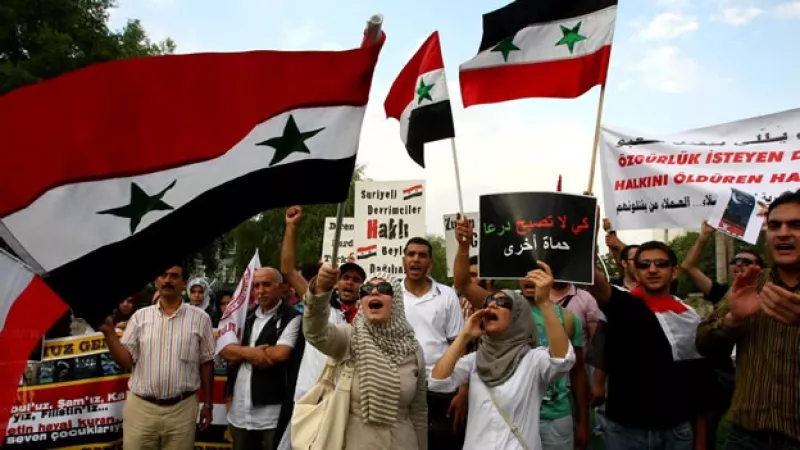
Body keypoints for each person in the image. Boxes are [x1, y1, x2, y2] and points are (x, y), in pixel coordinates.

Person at [453, 218, 589, 450]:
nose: (529, 279)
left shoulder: (567, 318)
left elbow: (576, 372)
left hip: (554, 418)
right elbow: (464, 283)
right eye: (525, 273)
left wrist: (584, 422)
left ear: (549, 277)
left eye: (537, 274)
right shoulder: (501, 307)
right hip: (511, 416)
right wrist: (464, 247)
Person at [696, 189, 800, 450]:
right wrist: (732, 320)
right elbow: (704, 344)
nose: (783, 232)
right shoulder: (749, 284)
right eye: (775, 225)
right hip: (746, 437)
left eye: (796, 225)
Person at [431, 262, 575, 449]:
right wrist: (464, 336)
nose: (492, 306)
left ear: (517, 315)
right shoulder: (475, 360)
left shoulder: (532, 360)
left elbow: (563, 360)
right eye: (488, 303)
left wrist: (545, 303)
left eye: (502, 302)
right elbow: (437, 381)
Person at [588, 241, 714, 450]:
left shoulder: (690, 319)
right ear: (635, 274)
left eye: (661, 264)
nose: (652, 269)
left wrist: (700, 443)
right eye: (644, 265)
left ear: (674, 272)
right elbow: (591, 277)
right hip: (626, 432)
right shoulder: (621, 305)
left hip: (675, 432)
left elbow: (699, 387)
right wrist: (589, 232)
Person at [303, 265, 427, 449]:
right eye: (367, 290)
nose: (374, 292)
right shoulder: (350, 338)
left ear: (397, 300)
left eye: (384, 289)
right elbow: (315, 333)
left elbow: (418, 412)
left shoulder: (413, 349)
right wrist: (320, 290)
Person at [100, 263, 215, 450]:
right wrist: (109, 333)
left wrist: (208, 405)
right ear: (156, 281)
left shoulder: (201, 318)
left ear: (183, 283)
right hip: (141, 409)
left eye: (174, 276)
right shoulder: (140, 317)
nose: (168, 280)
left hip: (182, 409)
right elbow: (126, 362)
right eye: (163, 275)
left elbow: (207, 363)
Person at [681, 220, 764, 447]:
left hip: (757, 375)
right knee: (709, 424)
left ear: (760, 268)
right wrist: (704, 236)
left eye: (747, 262)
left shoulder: (773, 294)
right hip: (724, 375)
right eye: (735, 261)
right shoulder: (723, 293)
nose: (739, 265)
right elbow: (688, 268)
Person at [220, 267, 303, 450]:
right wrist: (253, 353)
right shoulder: (244, 317)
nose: (260, 290)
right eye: (256, 285)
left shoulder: (292, 317)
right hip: (240, 410)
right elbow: (224, 350)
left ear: (281, 287)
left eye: (266, 284)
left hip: (272, 413)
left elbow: (281, 353)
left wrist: (239, 353)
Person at [401, 236, 467, 449]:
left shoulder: (446, 295)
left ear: (430, 262)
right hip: (400, 390)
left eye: (422, 255)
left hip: (440, 389)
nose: (416, 259)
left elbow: (460, 345)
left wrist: (464, 390)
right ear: (403, 260)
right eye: (411, 254)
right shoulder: (390, 294)